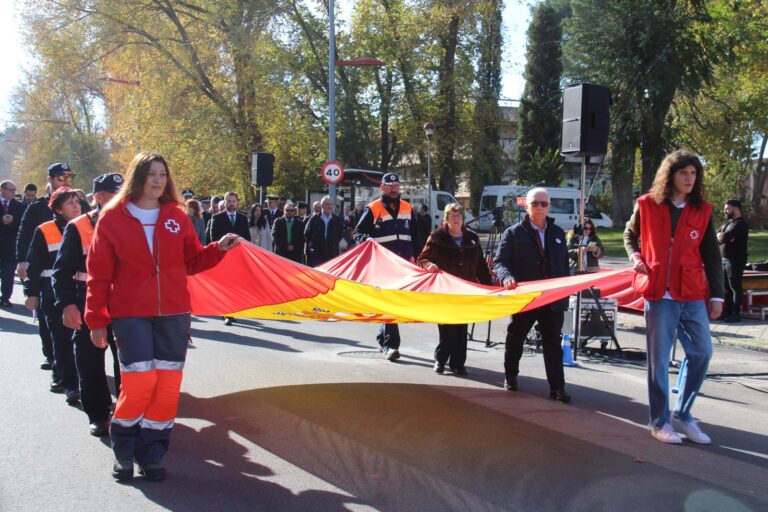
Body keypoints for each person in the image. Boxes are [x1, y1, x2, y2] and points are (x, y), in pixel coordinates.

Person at [84, 151, 241, 481]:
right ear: (137, 177)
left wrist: (218, 249)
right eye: (152, 174)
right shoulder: (112, 218)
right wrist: (96, 320)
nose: (158, 180)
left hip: (174, 314)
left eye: (162, 174)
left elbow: (192, 262)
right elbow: (98, 276)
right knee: (140, 384)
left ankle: (152, 454)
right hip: (131, 315)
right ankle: (124, 452)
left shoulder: (177, 216)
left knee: (167, 388)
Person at [624, 149, 723, 445]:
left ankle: (682, 413)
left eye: (693, 173)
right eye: (684, 173)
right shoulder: (647, 204)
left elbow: (712, 256)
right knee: (659, 361)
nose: (689, 178)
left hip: (691, 292)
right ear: (671, 175)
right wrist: (634, 255)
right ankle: (659, 421)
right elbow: (630, 234)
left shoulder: (703, 210)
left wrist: (717, 295)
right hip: (658, 292)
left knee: (702, 353)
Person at [52, 173, 123, 437]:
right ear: (99, 198)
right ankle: (99, 414)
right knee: (90, 361)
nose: (121, 199)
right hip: (86, 301)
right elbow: (61, 271)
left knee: (126, 362)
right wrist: (68, 305)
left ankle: (126, 413)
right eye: (114, 194)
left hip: (124, 304)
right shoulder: (79, 227)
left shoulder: (132, 223)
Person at [493, 187, 572, 403]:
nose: (539, 207)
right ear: (526, 205)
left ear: (549, 207)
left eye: (543, 204)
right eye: (535, 203)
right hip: (526, 297)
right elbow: (500, 262)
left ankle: (557, 388)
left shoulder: (557, 233)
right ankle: (510, 375)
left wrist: (566, 290)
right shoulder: (513, 233)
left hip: (552, 299)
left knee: (552, 344)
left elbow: (564, 265)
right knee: (516, 337)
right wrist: (507, 277)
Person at [16, 163, 90, 375]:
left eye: (69, 178)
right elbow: (26, 233)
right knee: (51, 326)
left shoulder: (82, 205)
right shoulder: (38, 207)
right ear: (50, 179)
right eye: (60, 178)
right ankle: (54, 359)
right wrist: (22, 261)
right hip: (47, 276)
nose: (65, 182)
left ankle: (69, 368)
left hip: (77, 280)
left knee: (74, 329)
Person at [24, 187, 82, 405]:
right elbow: (34, 264)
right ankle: (69, 384)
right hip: (52, 291)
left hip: (81, 290)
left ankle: (70, 377)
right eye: (70, 203)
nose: (76, 205)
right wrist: (31, 293)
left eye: (77, 201)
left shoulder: (87, 226)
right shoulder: (44, 230)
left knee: (81, 341)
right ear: (58, 209)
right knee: (61, 339)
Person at [417, 203, 491, 374]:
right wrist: (429, 265)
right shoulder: (436, 237)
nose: (456, 219)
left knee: (461, 328)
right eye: (453, 216)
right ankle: (441, 360)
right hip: (444, 292)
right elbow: (421, 259)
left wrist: (489, 287)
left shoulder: (472, 238)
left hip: (465, 290)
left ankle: (458, 363)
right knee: (446, 328)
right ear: (446, 219)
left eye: (459, 216)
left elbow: (481, 265)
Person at [354, 172, 419, 361]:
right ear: (382, 188)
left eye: (396, 186)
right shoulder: (373, 208)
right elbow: (359, 232)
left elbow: (416, 235)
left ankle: (383, 338)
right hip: (383, 265)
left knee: (391, 302)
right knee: (390, 301)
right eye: (389, 186)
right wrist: (368, 239)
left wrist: (418, 256)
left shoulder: (408, 207)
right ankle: (392, 345)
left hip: (404, 264)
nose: (393, 189)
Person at [208, 191, 251, 326]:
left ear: (237, 202)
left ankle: (233, 310)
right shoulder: (217, 218)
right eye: (229, 201)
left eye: (234, 201)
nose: (231, 204)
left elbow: (247, 237)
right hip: (223, 257)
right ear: (225, 202)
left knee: (235, 286)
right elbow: (213, 238)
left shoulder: (243, 218)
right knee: (225, 286)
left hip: (238, 257)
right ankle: (226, 312)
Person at [718, 199, 748, 323]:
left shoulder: (740, 224)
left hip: (735, 260)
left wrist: (722, 236)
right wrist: (722, 236)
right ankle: (727, 312)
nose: (725, 211)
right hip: (725, 259)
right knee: (727, 288)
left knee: (735, 286)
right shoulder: (727, 223)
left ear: (736, 209)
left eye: (727, 209)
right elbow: (719, 235)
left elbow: (725, 237)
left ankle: (736, 314)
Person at [1, 181, 24, 307]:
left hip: (10, 246)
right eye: (10, 190)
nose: (13, 193)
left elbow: (23, 225)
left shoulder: (19, 206)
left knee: (8, 273)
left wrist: (13, 221)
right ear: (2, 190)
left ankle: (5, 297)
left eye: (14, 190)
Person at [304, 195, 344, 266]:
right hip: (317, 253)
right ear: (322, 206)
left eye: (331, 204)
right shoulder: (314, 219)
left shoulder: (337, 220)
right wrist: (314, 245)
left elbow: (340, 235)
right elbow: (307, 234)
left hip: (332, 254)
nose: (329, 206)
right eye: (327, 204)